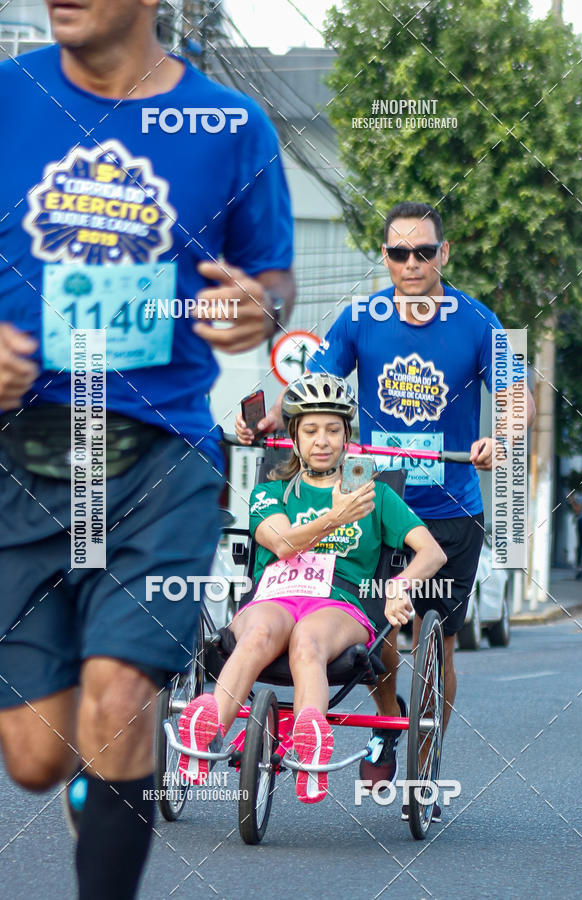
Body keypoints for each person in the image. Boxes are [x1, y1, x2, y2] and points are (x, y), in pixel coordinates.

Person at [0, 2, 294, 897]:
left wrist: (259, 307)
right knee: (36, 759)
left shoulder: (230, 127)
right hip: (25, 454)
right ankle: (95, 763)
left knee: (121, 696)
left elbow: (272, 275)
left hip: (160, 452)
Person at [236, 201, 536, 807]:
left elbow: (516, 397)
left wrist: (499, 437)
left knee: (438, 641)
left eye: (424, 251)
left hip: (451, 509)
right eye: (399, 253)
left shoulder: (477, 321)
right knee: (380, 632)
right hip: (375, 500)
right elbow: (311, 386)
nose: (412, 264)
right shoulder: (360, 317)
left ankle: (425, 761)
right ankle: (385, 731)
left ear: (443, 254)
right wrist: (271, 417)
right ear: (385, 257)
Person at [179, 373, 446, 803]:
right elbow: (282, 543)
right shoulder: (271, 491)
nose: (322, 440)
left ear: (346, 436)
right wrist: (335, 517)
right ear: (294, 437)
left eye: (332, 430)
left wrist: (400, 585)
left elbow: (431, 553)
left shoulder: (374, 493)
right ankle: (207, 726)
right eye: (310, 430)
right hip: (275, 592)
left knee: (308, 642)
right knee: (260, 633)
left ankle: (310, 738)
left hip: (338, 601)